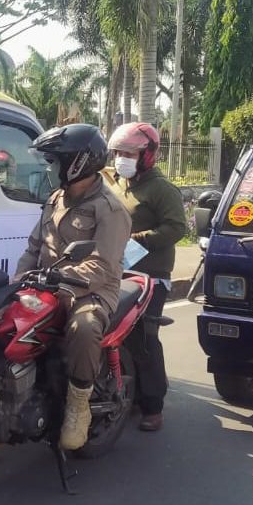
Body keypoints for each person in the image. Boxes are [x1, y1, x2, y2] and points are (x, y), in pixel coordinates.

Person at [0, 123, 131, 465]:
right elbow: (35, 246)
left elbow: (102, 266)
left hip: (92, 291)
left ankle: (78, 407)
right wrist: (21, 279)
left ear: (78, 163)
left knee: (82, 329)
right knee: (0, 332)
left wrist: (59, 277)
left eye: (56, 162)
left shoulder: (109, 210)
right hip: (46, 283)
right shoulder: (56, 199)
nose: (50, 169)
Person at [109, 122, 187, 431]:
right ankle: (129, 394)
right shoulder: (114, 183)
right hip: (117, 271)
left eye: (129, 153)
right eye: (118, 153)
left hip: (151, 276)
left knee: (144, 336)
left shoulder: (160, 188)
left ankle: (153, 405)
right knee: (117, 336)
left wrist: (138, 240)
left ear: (147, 155)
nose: (121, 158)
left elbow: (177, 228)